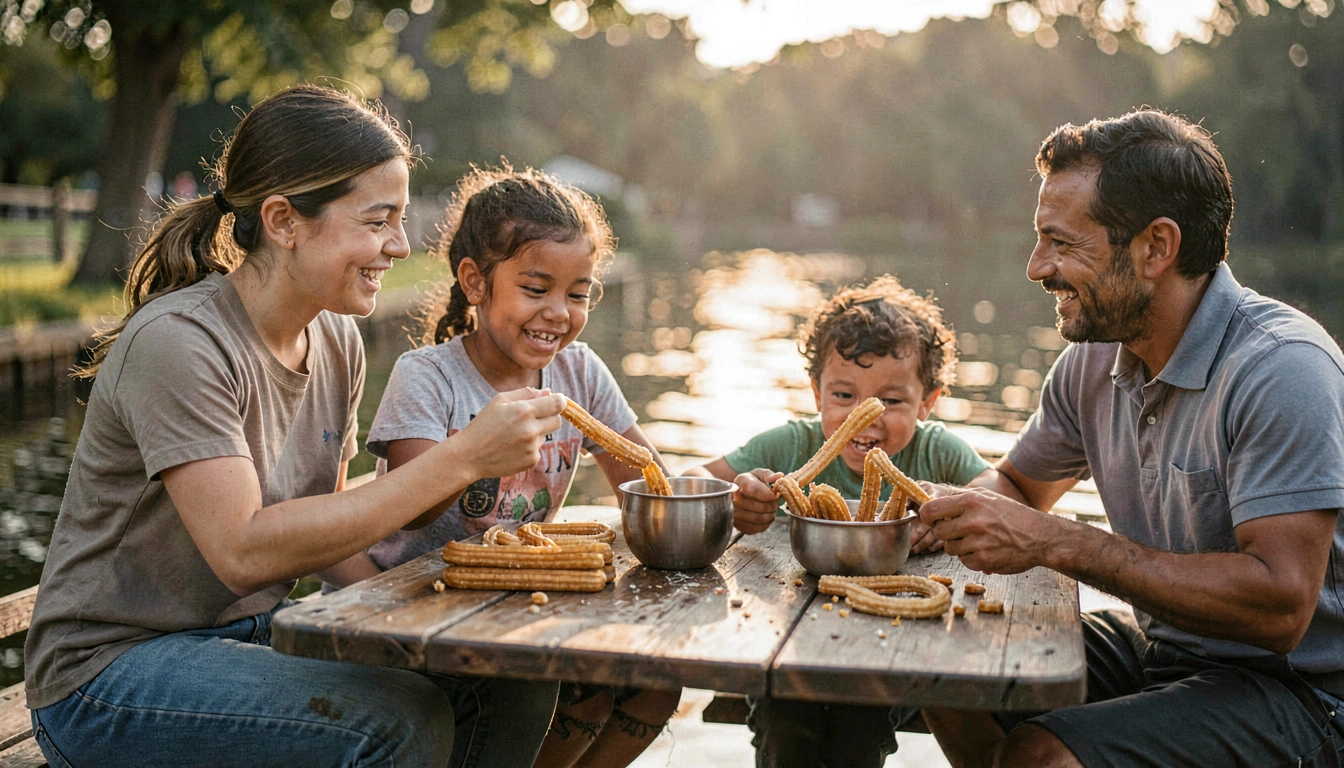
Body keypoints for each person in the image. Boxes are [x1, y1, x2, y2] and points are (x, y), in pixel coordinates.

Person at [24, 85, 564, 767]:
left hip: (251, 639)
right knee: (394, 720)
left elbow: (320, 525)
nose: (399, 245)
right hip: (104, 678)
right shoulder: (179, 343)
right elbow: (244, 550)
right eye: (378, 220)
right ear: (283, 221)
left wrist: (406, 604)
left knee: (506, 681)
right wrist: (461, 459)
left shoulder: (336, 341)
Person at [918, 109, 1344, 768]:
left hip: (1303, 692)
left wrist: (1059, 542)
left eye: (1061, 243)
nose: (1037, 268)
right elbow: (1018, 485)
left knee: (1042, 757)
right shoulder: (1095, 360)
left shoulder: (1283, 369)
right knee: (946, 664)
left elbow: (1282, 606)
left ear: (1156, 248)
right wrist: (953, 511)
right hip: (1169, 649)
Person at [321, 165, 682, 768]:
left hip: (512, 603)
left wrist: (725, 501)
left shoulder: (581, 373)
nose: (558, 314)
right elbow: (414, 508)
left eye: (578, 293)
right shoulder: (428, 378)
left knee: (647, 683)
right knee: (540, 688)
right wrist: (475, 451)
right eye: (536, 289)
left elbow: (645, 483)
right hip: (408, 607)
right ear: (475, 282)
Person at [688, 274, 1004, 768]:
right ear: (816, 393)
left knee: (858, 732)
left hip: (896, 645)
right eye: (843, 395)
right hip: (785, 640)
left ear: (928, 401)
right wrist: (738, 498)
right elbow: (691, 479)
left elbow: (996, 491)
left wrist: (944, 510)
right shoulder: (790, 445)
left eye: (891, 401)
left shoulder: (935, 450)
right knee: (785, 728)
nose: (866, 417)